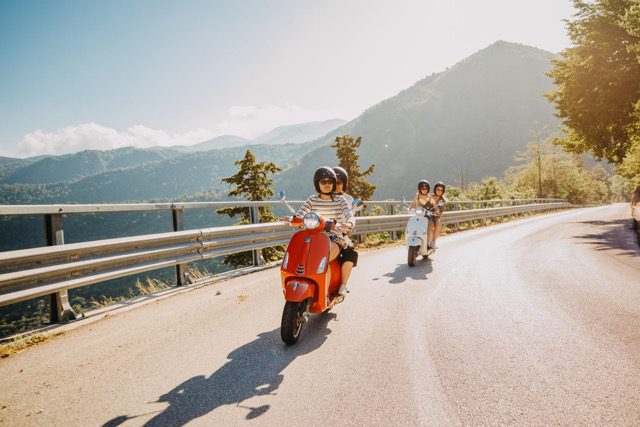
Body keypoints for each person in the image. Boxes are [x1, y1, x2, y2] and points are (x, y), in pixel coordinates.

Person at [293, 166, 356, 299]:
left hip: (334, 238)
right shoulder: (312, 200)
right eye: (323, 182)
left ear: (333, 183)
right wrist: (293, 219)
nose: (327, 184)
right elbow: (300, 214)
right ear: (318, 184)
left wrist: (349, 223)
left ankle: (329, 291)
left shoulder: (340, 200)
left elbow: (349, 214)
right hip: (313, 237)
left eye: (330, 181)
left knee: (323, 259)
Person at [332, 166, 358, 296]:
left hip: (340, 234)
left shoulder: (348, 200)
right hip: (321, 233)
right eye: (333, 182)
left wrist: (348, 225)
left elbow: (350, 215)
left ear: (344, 184)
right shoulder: (322, 197)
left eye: (339, 182)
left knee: (350, 253)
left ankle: (343, 284)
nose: (336, 185)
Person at [427, 182, 447, 249]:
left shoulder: (442, 200)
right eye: (438, 189)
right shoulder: (429, 197)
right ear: (435, 189)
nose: (439, 191)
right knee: (430, 224)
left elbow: (441, 213)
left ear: (443, 191)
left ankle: (433, 242)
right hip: (427, 215)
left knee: (438, 224)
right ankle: (427, 241)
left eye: (441, 190)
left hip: (435, 216)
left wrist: (438, 214)